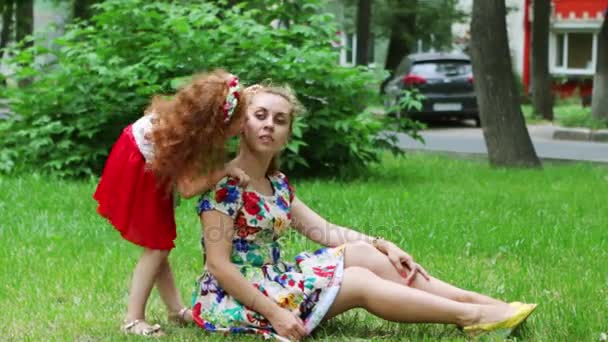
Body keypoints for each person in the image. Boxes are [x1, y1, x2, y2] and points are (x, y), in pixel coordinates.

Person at [192, 84, 537, 341]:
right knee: (357, 281)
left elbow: (324, 230)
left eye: (279, 120)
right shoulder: (227, 185)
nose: (269, 125)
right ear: (242, 125)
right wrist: (276, 314)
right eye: (260, 116)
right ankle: (470, 316)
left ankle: (483, 302)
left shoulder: (276, 183)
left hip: (275, 279)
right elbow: (218, 266)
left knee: (359, 252)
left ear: (287, 134)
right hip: (237, 297)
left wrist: (382, 244)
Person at [93, 69, 249, 336]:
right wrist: (225, 169)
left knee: (159, 242)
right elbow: (188, 189)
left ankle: (175, 310)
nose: (247, 123)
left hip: (140, 155)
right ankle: (133, 320)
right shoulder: (192, 138)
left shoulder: (192, 121)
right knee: (157, 247)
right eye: (242, 118)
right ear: (220, 124)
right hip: (140, 167)